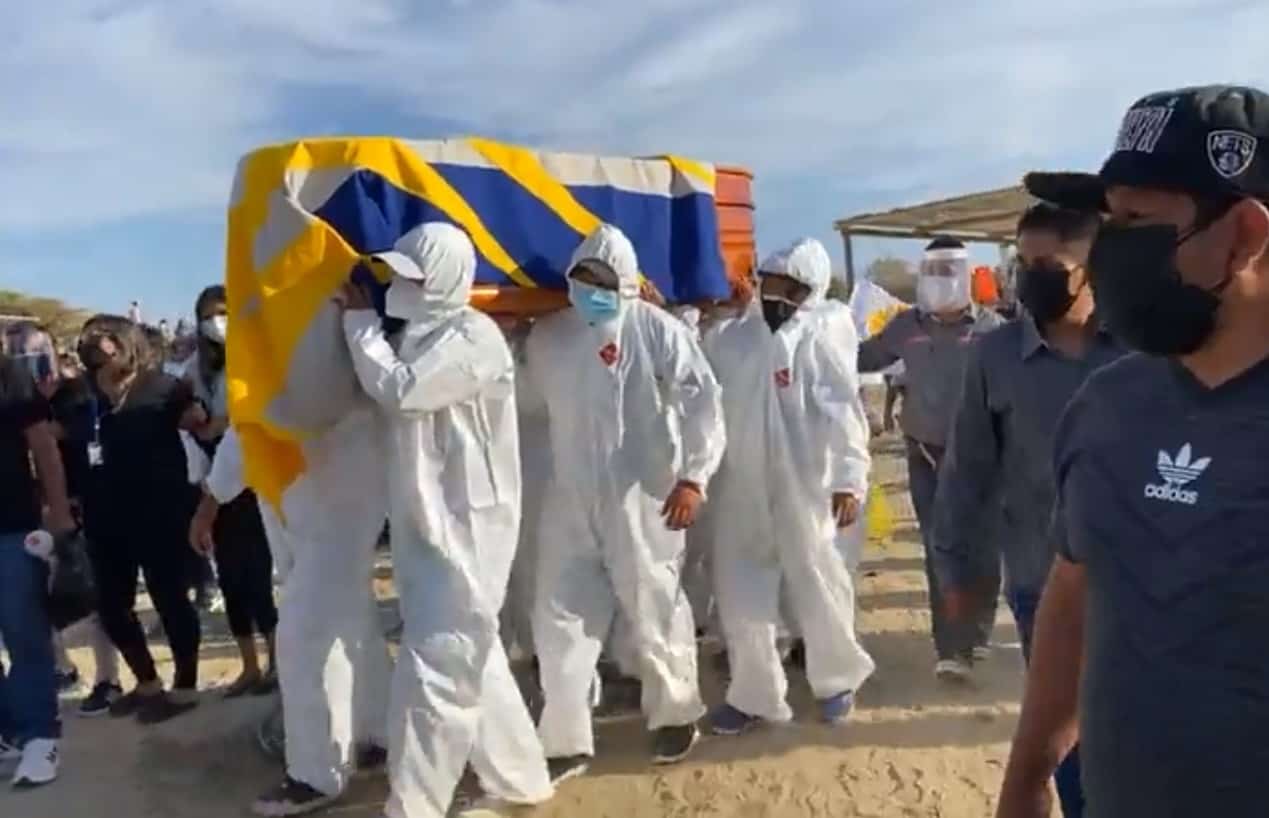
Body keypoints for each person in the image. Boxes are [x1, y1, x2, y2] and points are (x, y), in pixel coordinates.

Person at [997, 84, 1269, 818]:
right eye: (1106, 219)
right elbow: (1074, 589)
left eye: (1137, 222)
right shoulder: (1109, 404)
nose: (1108, 248)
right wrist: (1028, 774)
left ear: (1243, 233)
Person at [338, 222, 553, 818]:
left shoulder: (473, 337)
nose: (400, 287)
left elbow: (405, 393)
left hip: (468, 528)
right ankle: (521, 782)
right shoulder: (413, 337)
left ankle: (415, 806)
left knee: (436, 665)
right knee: (470, 659)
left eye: (413, 276)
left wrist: (358, 327)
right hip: (426, 524)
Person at [932, 203, 1124, 817]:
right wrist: (958, 572)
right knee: (1064, 740)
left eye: (1049, 264)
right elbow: (967, 473)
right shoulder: (993, 358)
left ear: (1092, 266)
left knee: (1138, 738)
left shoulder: (1144, 350)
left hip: (1143, 584)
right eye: (1022, 262)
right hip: (1042, 583)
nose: (1028, 276)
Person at [527, 224, 725, 778]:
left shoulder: (654, 330)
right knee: (558, 614)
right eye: (581, 277)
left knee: (654, 607)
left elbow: (702, 400)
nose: (589, 289)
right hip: (570, 499)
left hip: (644, 499)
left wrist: (694, 477)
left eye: (601, 280)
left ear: (626, 284)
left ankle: (674, 714)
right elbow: (520, 402)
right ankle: (565, 738)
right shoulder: (549, 338)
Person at [703, 238, 874, 734]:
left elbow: (845, 412)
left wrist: (849, 479)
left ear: (811, 292)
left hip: (808, 486)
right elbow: (697, 383)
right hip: (743, 489)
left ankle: (836, 681)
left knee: (820, 583)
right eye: (771, 284)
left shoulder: (819, 339)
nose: (777, 297)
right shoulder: (733, 339)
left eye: (790, 289)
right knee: (740, 595)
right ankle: (754, 696)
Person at [858, 238, 1004, 681]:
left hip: (983, 460)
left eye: (948, 270)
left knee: (982, 549)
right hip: (925, 455)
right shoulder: (905, 327)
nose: (940, 280)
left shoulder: (993, 331)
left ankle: (977, 634)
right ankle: (950, 647)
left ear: (965, 275)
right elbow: (860, 356)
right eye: (932, 270)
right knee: (940, 549)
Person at [239, 411, 392, 817]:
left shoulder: (300, 349)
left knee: (304, 640)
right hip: (324, 503)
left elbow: (267, 405)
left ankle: (317, 774)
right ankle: (377, 733)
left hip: (334, 506)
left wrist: (212, 493)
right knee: (354, 626)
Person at [76, 316, 207, 724]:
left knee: (170, 598)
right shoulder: (80, 394)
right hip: (102, 517)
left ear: (126, 342)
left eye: (105, 339)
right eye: (90, 340)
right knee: (112, 605)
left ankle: (185, 686)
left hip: (160, 512)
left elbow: (200, 424)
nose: (95, 346)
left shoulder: (163, 388)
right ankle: (147, 682)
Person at [185, 286, 279, 697]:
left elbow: (249, 416)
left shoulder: (253, 357)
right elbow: (192, 416)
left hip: (250, 479)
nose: (215, 322)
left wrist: (221, 424)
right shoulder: (195, 369)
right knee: (231, 580)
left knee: (258, 576)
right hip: (212, 478)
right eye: (207, 315)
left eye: (222, 312)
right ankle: (249, 666)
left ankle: (279, 661)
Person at [0, 347, 75, 787]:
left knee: (24, 635)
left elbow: (45, 449)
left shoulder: (12, 381)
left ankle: (40, 737)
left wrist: (60, 515)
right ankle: (10, 729)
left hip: (11, 530)